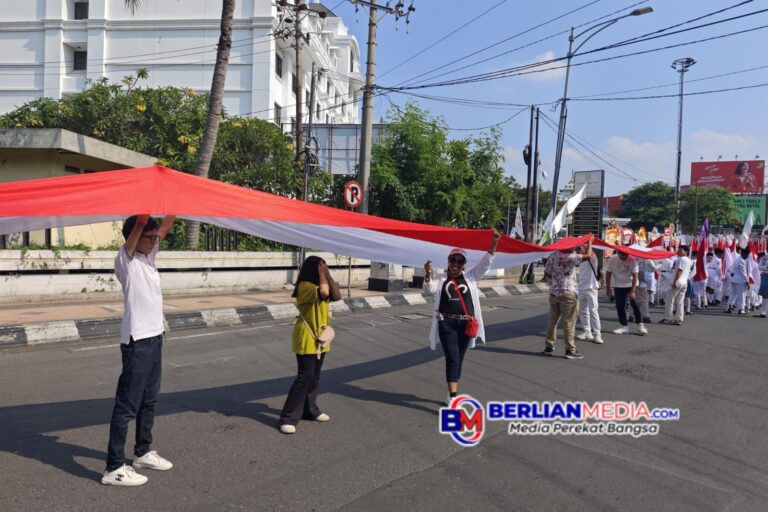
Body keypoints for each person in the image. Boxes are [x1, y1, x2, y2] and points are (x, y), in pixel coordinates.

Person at [103, 214, 176, 487]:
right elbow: (138, 229)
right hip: (137, 342)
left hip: (155, 337)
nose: (156, 240)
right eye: (151, 236)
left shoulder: (149, 257)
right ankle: (113, 467)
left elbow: (167, 225)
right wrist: (144, 211)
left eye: (156, 237)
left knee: (150, 400)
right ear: (135, 236)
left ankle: (143, 451)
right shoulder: (127, 261)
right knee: (126, 406)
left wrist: (175, 202)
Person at [424, 230, 500, 404]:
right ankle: (453, 397)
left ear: (464, 264)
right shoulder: (441, 278)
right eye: (453, 260)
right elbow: (428, 290)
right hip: (447, 324)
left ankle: (451, 390)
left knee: (458, 359)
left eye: (459, 261)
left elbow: (486, 263)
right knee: (452, 358)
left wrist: (494, 243)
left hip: (466, 326)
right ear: (448, 261)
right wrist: (428, 273)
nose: (455, 264)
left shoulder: (471, 275)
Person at [279, 256, 342, 434]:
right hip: (307, 336)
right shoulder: (305, 287)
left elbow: (336, 295)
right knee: (304, 377)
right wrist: (322, 274)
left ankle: (310, 410)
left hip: (321, 337)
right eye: (320, 267)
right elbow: (323, 292)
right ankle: (288, 417)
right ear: (313, 269)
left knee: (314, 376)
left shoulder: (323, 284)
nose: (323, 269)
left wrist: (328, 274)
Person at [542, 235, 594, 359]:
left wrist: (554, 284)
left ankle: (549, 347)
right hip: (568, 293)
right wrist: (590, 242)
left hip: (554, 293)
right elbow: (588, 256)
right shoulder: (570, 256)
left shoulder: (553, 256)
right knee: (569, 322)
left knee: (552, 322)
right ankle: (570, 350)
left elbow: (547, 274)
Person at [605, 250, 646, 335]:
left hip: (631, 284)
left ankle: (640, 325)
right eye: (622, 255)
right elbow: (608, 273)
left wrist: (633, 291)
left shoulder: (632, 260)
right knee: (620, 306)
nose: (625, 257)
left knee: (635, 304)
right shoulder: (612, 259)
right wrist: (608, 288)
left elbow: (635, 276)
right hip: (619, 284)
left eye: (626, 255)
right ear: (618, 254)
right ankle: (624, 326)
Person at [576, 242, 602, 344]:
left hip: (591, 288)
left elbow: (589, 254)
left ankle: (597, 334)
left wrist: (590, 242)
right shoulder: (580, 257)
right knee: (583, 311)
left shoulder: (592, 256)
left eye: (579, 247)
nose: (577, 250)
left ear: (586, 246)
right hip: (582, 287)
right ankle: (587, 332)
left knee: (593, 311)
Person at [660, 245, 692, 325]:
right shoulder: (689, 260)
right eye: (678, 250)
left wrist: (674, 282)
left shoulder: (681, 259)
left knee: (669, 301)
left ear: (686, 252)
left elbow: (679, 271)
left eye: (681, 250)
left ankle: (668, 318)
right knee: (680, 302)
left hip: (678, 282)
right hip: (684, 282)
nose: (678, 251)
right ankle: (679, 319)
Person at [728, 247, 749, 315]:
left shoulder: (737, 259)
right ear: (743, 254)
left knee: (733, 294)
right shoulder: (741, 261)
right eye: (746, 255)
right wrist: (747, 281)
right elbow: (743, 272)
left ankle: (729, 307)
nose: (747, 256)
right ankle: (741, 309)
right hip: (740, 280)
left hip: (734, 279)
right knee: (741, 295)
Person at [757, 251, 768, 318]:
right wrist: (766, 267)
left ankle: (764, 311)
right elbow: (759, 267)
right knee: (765, 294)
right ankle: (763, 312)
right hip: (765, 275)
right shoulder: (764, 257)